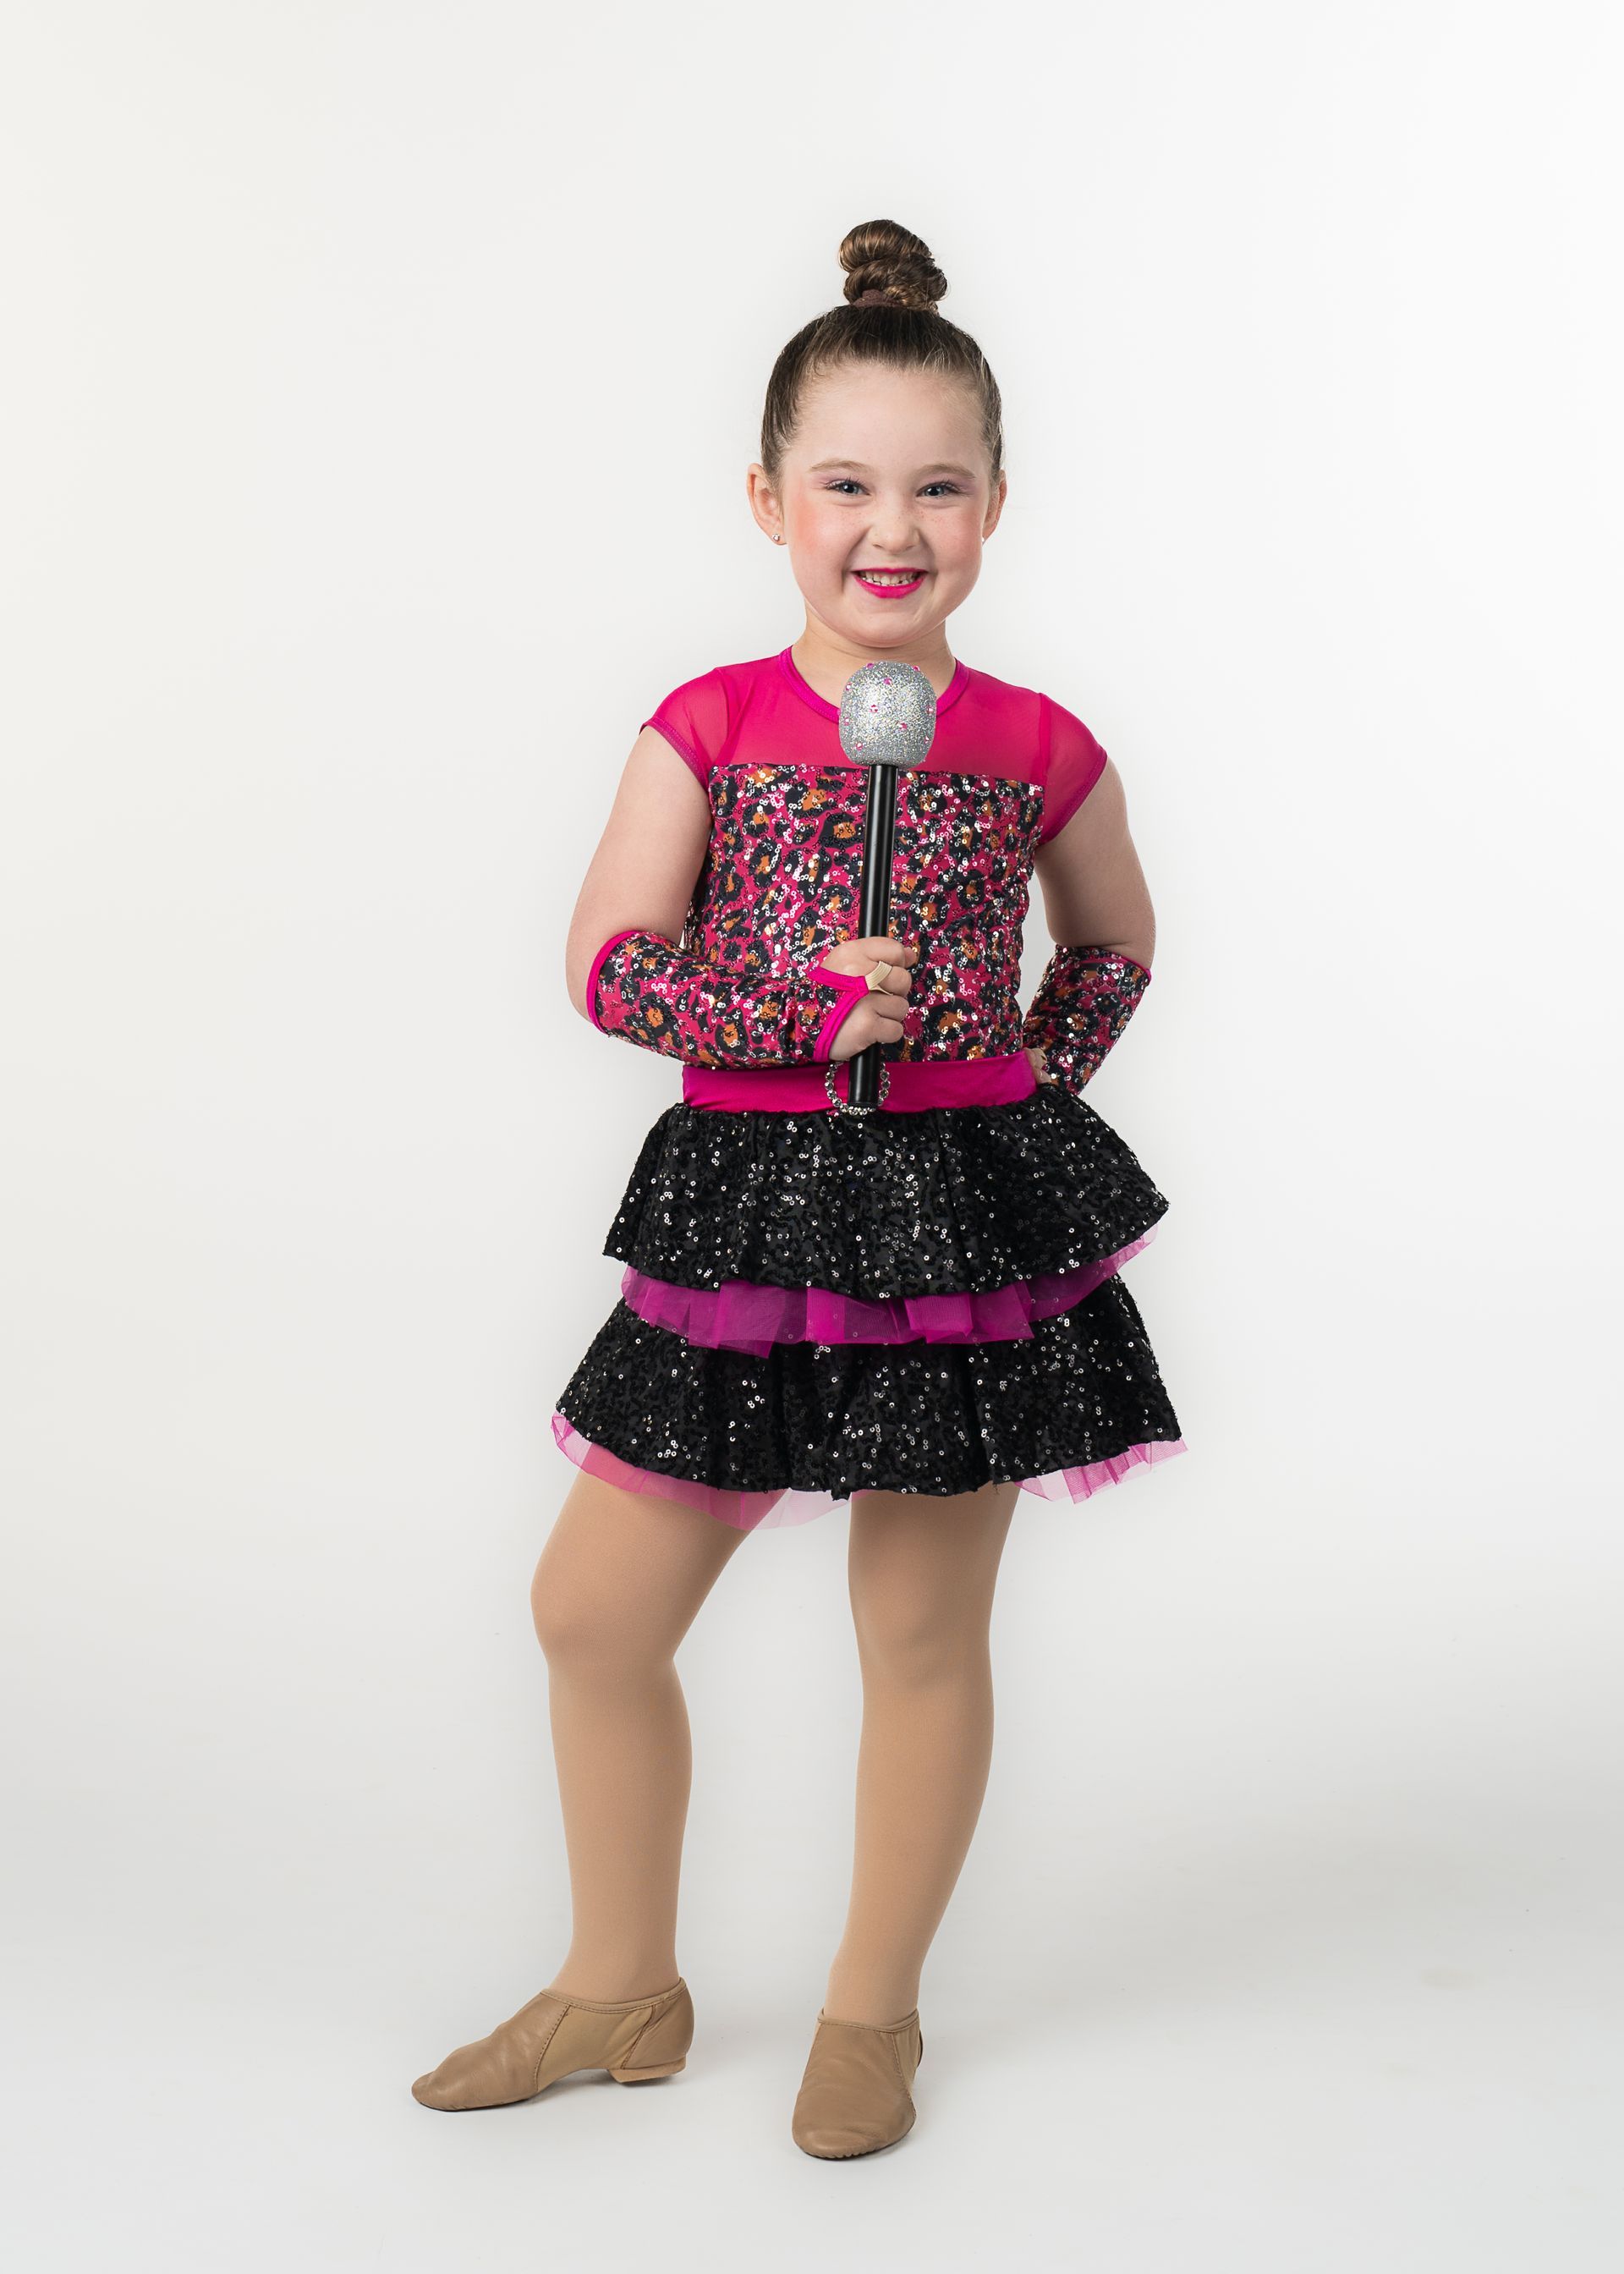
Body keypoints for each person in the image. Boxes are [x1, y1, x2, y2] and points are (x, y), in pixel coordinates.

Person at [411, 218, 1187, 2159]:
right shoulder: (707, 724)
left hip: (957, 1229)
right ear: (770, 499)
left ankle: (873, 2009)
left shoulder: (1034, 746)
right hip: (745, 1214)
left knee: (919, 1629)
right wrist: (777, 1002)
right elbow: (604, 961)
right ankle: (623, 1983)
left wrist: (1010, 1079)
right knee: (595, 1610)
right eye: (846, 484)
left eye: (937, 486)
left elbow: (1111, 948)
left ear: (997, 504)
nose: (889, 527)